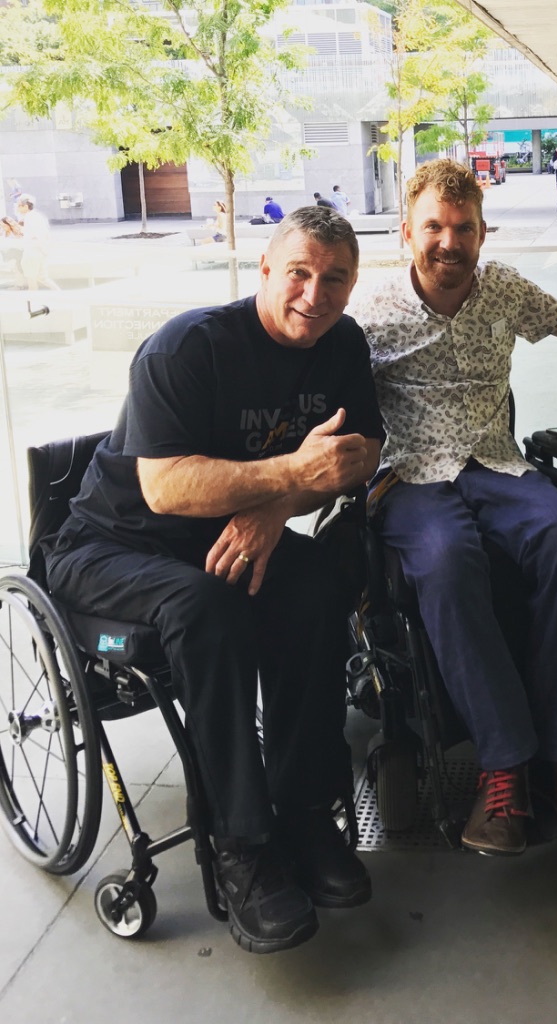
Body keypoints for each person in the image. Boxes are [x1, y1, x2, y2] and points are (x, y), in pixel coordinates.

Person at [44, 206, 385, 954]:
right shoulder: (188, 348)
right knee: (207, 607)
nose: (314, 294)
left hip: (222, 536)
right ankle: (241, 847)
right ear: (264, 271)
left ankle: (301, 812)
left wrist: (277, 505)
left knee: (317, 585)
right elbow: (166, 489)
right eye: (298, 273)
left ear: (352, 286)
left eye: (334, 279)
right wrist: (289, 475)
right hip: (108, 547)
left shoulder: (343, 347)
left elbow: (354, 460)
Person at [348, 158, 557, 857]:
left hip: (498, 465)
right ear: (407, 233)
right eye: (434, 227)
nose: (448, 242)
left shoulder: (503, 293)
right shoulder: (369, 315)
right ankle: (504, 768)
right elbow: (319, 381)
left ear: (483, 234)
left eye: (462, 228)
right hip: (412, 478)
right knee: (447, 559)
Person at [15, 195, 58, 290]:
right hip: (38, 250)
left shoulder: (30, 217)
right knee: (41, 277)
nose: (17, 208)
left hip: (33, 251)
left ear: (25, 206)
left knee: (31, 277)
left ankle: (33, 299)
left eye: (19, 206)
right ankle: (59, 293)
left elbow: (39, 235)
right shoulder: (34, 216)